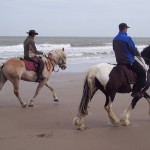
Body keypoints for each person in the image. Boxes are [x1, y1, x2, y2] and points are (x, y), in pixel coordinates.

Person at [113, 23, 147, 97]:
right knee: (142, 73)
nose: (127, 30)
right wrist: (138, 55)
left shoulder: (115, 39)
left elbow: (115, 50)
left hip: (119, 61)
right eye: (127, 28)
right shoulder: (127, 38)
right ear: (125, 28)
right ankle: (136, 91)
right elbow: (133, 49)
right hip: (128, 61)